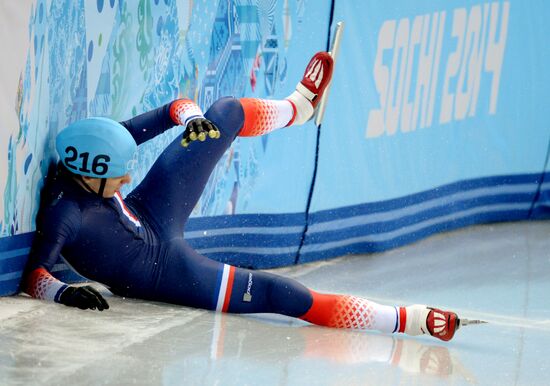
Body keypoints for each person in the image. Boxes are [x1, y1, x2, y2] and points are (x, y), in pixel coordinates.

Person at [22, 52, 460, 342]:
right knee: (280, 294)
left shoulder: (101, 148)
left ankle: (298, 107)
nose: (127, 174)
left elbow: (171, 109)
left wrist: (192, 119)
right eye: (118, 175)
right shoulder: (65, 214)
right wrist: (63, 293)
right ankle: (408, 319)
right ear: (90, 175)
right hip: (161, 269)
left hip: (150, 209)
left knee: (224, 114)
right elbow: (34, 276)